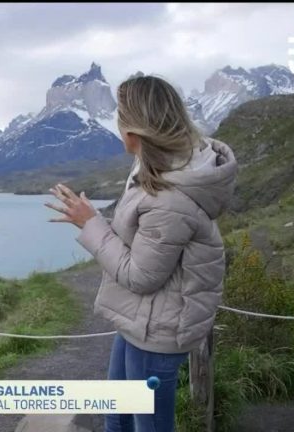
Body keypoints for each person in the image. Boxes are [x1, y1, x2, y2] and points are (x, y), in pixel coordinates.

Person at [46, 75, 238, 432]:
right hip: (143, 322)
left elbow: (141, 276)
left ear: (134, 132)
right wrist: (95, 221)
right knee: (117, 417)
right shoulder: (161, 167)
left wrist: (90, 224)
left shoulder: (169, 198)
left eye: (120, 116)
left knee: (147, 425)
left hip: (158, 330)